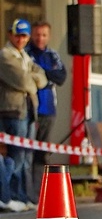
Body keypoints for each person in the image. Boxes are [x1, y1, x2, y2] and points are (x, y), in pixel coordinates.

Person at [0, 19, 47, 210]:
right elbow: (23, 81)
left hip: (28, 111)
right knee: (15, 157)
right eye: (17, 35)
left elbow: (42, 78)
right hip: (12, 111)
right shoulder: (5, 55)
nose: (21, 39)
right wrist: (32, 80)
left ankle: (22, 196)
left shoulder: (24, 57)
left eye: (24, 36)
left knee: (26, 158)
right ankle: (9, 197)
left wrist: (32, 79)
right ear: (10, 35)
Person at [25, 20, 66, 168]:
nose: (40, 38)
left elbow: (61, 77)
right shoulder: (26, 53)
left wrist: (42, 72)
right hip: (29, 109)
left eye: (44, 35)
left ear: (48, 36)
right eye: (37, 35)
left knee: (43, 153)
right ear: (31, 35)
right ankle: (26, 188)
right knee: (26, 150)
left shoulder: (53, 55)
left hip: (48, 109)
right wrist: (48, 74)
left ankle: (40, 186)